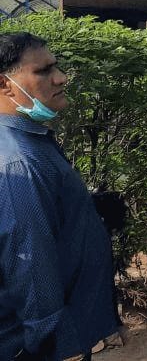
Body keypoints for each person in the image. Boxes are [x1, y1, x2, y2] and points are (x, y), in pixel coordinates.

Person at [0, 33, 120, 361]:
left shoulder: (32, 140)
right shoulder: (19, 160)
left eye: (57, 67)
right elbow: (29, 259)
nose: (61, 77)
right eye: (43, 71)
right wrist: (56, 343)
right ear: (5, 84)